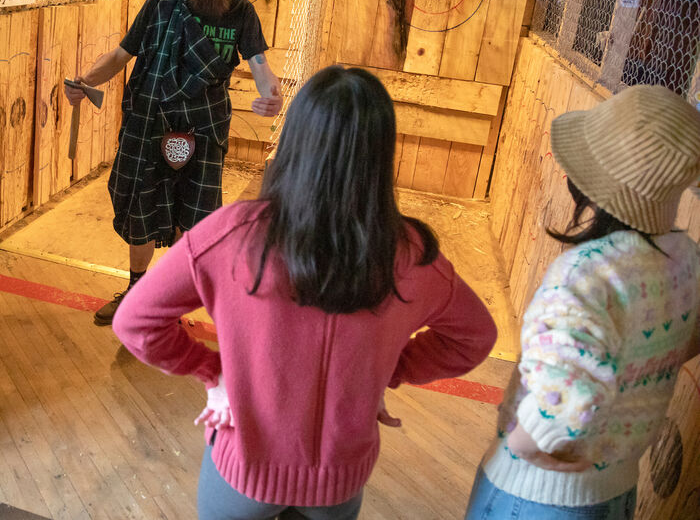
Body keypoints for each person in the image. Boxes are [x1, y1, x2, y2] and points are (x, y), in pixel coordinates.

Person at [112, 66, 498, 519]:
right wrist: (385, 372)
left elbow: (134, 321)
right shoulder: (412, 253)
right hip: (338, 483)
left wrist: (213, 373)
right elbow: (475, 336)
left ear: (295, 139)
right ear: (381, 153)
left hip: (246, 473)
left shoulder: (233, 233)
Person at [465, 85, 700, 520]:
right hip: (616, 490)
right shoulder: (687, 260)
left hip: (536, 496)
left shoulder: (583, 275)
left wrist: (518, 446)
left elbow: (567, 402)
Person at [65, 0, 283, 326]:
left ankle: (171, 301)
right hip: (150, 123)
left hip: (203, 128)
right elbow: (119, 56)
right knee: (141, 207)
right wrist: (83, 82)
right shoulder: (162, 4)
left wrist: (272, 94)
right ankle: (135, 293)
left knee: (194, 215)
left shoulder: (241, 12)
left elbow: (259, 64)